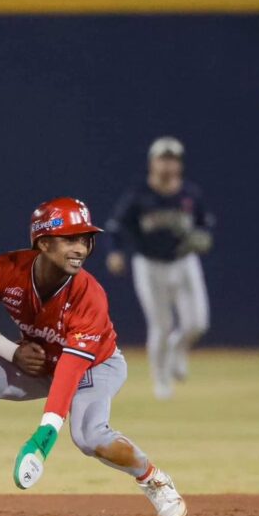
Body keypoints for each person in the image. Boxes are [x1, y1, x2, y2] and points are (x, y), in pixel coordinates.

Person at [0, 197, 187, 516]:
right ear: (43, 243)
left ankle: (153, 479)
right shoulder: (5, 270)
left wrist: (44, 437)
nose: (81, 248)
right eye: (70, 239)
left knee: (89, 436)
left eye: (86, 239)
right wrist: (11, 352)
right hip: (40, 360)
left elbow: (70, 371)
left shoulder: (90, 295)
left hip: (94, 366)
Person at [105, 136, 213, 400]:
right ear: (152, 163)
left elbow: (205, 223)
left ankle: (178, 348)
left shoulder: (189, 194)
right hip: (149, 265)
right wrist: (115, 252)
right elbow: (115, 227)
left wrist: (203, 235)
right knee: (160, 325)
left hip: (184, 262)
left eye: (172, 160)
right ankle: (161, 381)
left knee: (197, 323)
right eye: (163, 159)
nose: (167, 165)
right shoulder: (139, 196)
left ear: (179, 165)